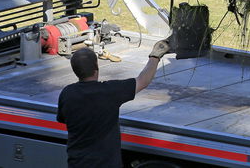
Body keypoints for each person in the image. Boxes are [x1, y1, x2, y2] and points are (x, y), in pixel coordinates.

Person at [56, 39, 172, 168]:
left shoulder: (67, 94)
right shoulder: (110, 91)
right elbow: (143, 81)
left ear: (75, 70)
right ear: (96, 68)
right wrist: (155, 56)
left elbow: (63, 119)